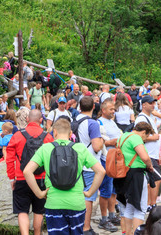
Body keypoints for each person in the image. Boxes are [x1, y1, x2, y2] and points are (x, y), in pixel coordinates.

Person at [22, 117, 107, 235]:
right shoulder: (80, 148)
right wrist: (89, 192)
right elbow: (101, 171)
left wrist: (39, 193)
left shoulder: (45, 148)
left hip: (54, 204)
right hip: (76, 204)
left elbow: (27, 171)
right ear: (71, 133)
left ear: (54, 132)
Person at [5, 109, 53, 235]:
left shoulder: (17, 135)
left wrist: (11, 178)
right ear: (41, 120)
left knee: (22, 211)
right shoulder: (48, 137)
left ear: (27, 119)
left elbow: (9, 159)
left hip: (22, 178)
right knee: (39, 210)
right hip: (41, 179)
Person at [114, 122, 155, 235]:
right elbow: (145, 157)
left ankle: (128, 233)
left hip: (124, 174)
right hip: (136, 175)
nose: (145, 140)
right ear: (143, 132)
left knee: (130, 207)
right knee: (140, 209)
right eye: (146, 136)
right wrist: (150, 166)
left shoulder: (122, 136)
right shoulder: (136, 138)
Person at [74, 96, 107, 235]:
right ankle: (86, 228)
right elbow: (97, 146)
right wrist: (102, 139)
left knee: (77, 194)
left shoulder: (73, 120)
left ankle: (76, 225)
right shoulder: (93, 123)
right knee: (88, 196)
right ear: (94, 107)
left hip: (75, 163)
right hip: (89, 164)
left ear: (79, 107)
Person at [98, 100, 123, 230]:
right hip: (106, 159)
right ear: (103, 110)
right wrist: (112, 142)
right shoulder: (99, 123)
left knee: (113, 190)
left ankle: (112, 215)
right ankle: (103, 219)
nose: (113, 111)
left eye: (114, 109)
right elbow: (100, 142)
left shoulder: (112, 122)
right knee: (105, 190)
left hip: (115, 159)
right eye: (111, 109)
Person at [135, 95, 161, 205]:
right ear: (144, 104)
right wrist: (154, 137)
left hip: (153, 154)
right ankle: (151, 204)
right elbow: (137, 137)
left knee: (151, 180)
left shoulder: (149, 117)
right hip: (147, 154)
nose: (153, 105)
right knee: (157, 178)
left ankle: (150, 204)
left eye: (154, 103)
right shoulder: (141, 118)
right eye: (151, 103)